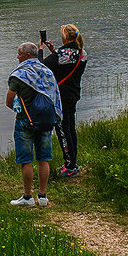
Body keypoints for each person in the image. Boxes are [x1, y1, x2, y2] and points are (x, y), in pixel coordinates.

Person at [5, 41, 63, 207]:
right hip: (45, 120)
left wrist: (19, 110)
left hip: (25, 121)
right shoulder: (47, 71)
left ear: (27, 55)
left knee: (26, 160)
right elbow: (54, 95)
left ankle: (27, 197)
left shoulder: (19, 75)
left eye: (19, 54)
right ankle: (43, 197)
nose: (17, 56)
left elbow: (9, 101)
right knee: (44, 159)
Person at [43, 24, 87, 177]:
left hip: (61, 97)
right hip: (74, 94)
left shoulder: (61, 54)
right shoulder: (82, 53)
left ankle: (69, 166)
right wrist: (54, 51)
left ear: (65, 37)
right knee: (71, 128)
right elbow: (66, 66)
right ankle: (73, 163)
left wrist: (42, 50)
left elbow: (41, 66)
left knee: (62, 130)